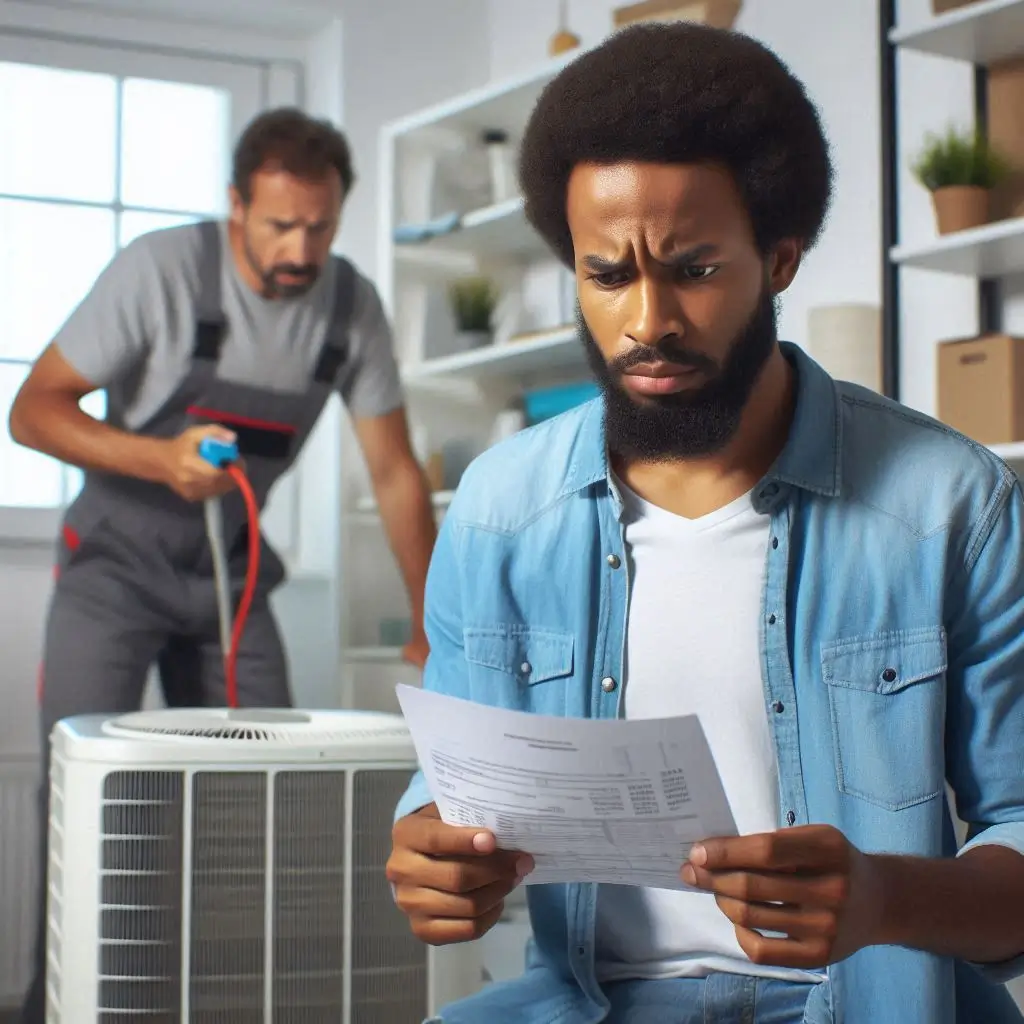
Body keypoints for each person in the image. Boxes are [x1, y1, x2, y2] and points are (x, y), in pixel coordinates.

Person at [385, 23, 1024, 1024]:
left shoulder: (950, 504)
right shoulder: (499, 516)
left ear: (778, 258)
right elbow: (451, 796)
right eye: (607, 275)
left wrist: (887, 898)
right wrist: (432, 849)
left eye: (690, 269)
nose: (646, 321)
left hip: (867, 1000)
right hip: (593, 1001)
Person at [10, 107, 436, 1024]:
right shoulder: (160, 273)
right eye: (279, 224)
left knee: (272, 795)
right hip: (112, 570)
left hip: (233, 579)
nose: (300, 247)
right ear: (236, 204)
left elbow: (395, 471)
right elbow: (33, 411)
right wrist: (155, 457)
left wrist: (428, 620)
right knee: (82, 790)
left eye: (319, 227)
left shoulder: (350, 307)